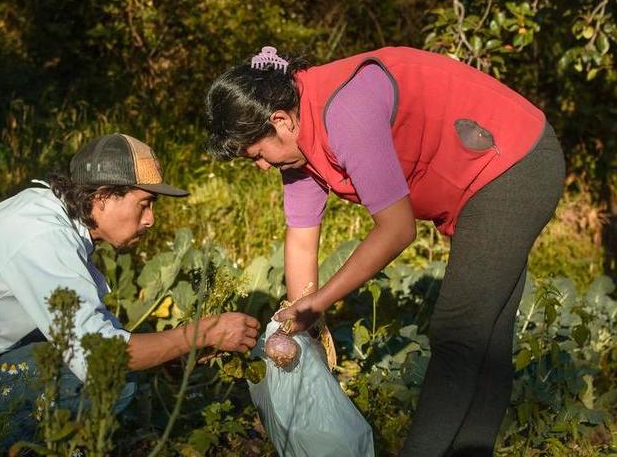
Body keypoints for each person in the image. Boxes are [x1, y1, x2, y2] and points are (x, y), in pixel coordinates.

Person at [205, 46, 565, 456]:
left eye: (257, 155)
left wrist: (319, 302)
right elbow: (301, 238)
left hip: (513, 162)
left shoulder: (345, 111)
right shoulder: (297, 147)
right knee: (485, 343)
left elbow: (397, 230)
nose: (261, 166)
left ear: (280, 120)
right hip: (485, 177)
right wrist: (301, 319)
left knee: (458, 334)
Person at [0, 133, 260, 448]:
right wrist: (202, 333)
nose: (151, 220)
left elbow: (91, 324)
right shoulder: (42, 238)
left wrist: (173, 349)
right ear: (102, 197)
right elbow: (101, 357)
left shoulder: (47, 212)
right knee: (113, 382)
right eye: (145, 204)